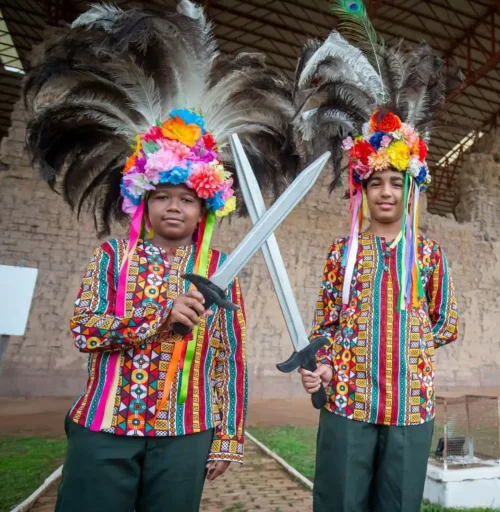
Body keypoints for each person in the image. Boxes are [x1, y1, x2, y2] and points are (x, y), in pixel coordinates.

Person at [23, 1, 298, 510]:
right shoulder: (112, 258)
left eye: (186, 198)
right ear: (143, 201)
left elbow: (228, 357)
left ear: (204, 206)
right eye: (163, 196)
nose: (174, 207)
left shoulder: (219, 272)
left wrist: (230, 435)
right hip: (104, 430)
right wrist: (158, 315)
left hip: (185, 434)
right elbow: (86, 329)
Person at [291, 6, 461, 509]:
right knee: (340, 500)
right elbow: (326, 323)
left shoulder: (429, 256)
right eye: (376, 183)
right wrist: (326, 363)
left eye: (396, 183)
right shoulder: (341, 254)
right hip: (347, 402)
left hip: (411, 407)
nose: (385, 192)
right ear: (360, 190)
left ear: (411, 190)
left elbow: (446, 324)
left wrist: (402, 345)